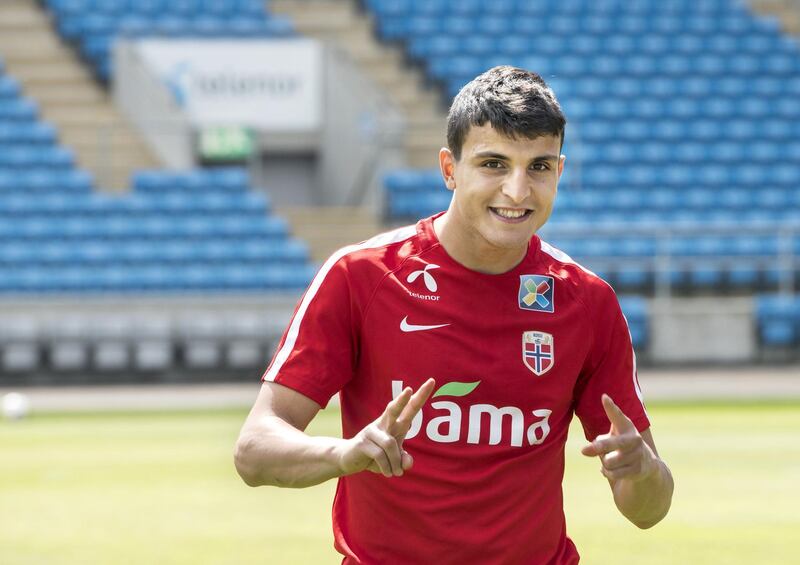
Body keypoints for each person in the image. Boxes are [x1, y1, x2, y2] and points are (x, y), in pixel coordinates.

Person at [234, 65, 674, 564]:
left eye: (539, 167)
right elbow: (254, 449)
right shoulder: (362, 277)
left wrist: (642, 472)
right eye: (493, 164)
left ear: (559, 172)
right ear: (449, 168)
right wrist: (345, 454)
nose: (517, 191)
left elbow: (648, 510)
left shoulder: (586, 301)